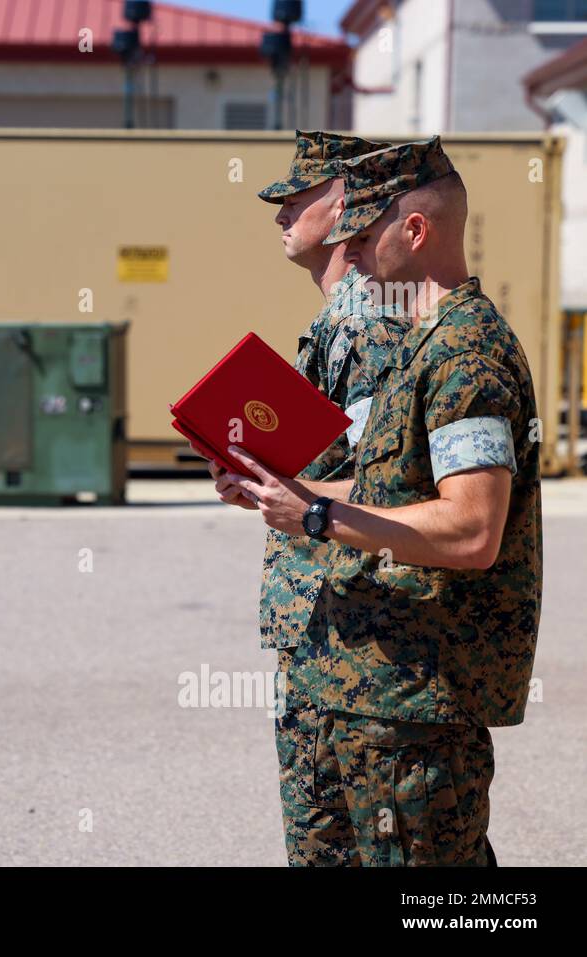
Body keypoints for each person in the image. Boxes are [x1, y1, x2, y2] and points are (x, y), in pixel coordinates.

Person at [224, 138, 542, 866]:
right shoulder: (428, 346)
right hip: (368, 687)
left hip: (415, 701)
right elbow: (392, 490)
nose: (351, 254)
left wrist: (315, 514)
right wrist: (292, 492)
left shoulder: (466, 353)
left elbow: (472, 527)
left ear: (416, 232)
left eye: (364, 237)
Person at [220, 130, 405, 866]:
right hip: (322, 626)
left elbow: (388, 478)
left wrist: (296, 494)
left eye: (293, 198)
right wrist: (261, 483)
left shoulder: (371, 322)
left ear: (341, 204)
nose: (279, 214)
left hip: (359, 635)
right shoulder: (337, 322)